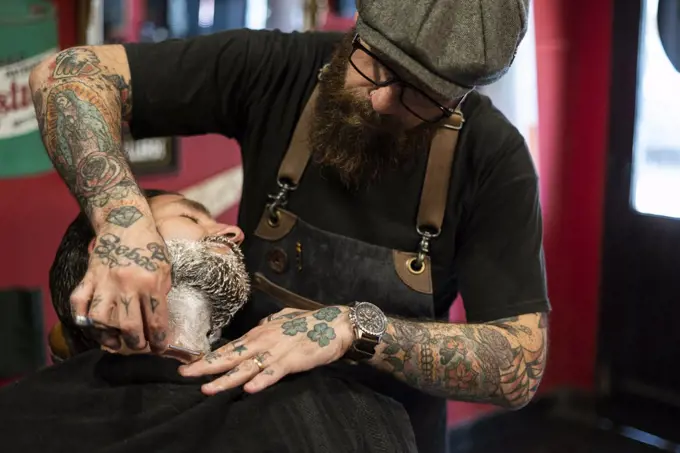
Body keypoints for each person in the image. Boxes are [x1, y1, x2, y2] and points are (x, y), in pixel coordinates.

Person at [29, 1, 550, 451]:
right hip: (242, 412)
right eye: (375, 66)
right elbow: (66, 76)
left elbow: (519, 363)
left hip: (382, 436)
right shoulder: (281, 69)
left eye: (422, 96)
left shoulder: (491, 156)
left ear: (460, 97)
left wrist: (351, 330)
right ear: (357, 31)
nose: (381, 101)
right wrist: (123, 216)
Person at [0, 189, 418, 453]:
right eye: (192, 217)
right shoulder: (18, 420)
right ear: (111, 249)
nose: (233, 231)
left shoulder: (350, 413)